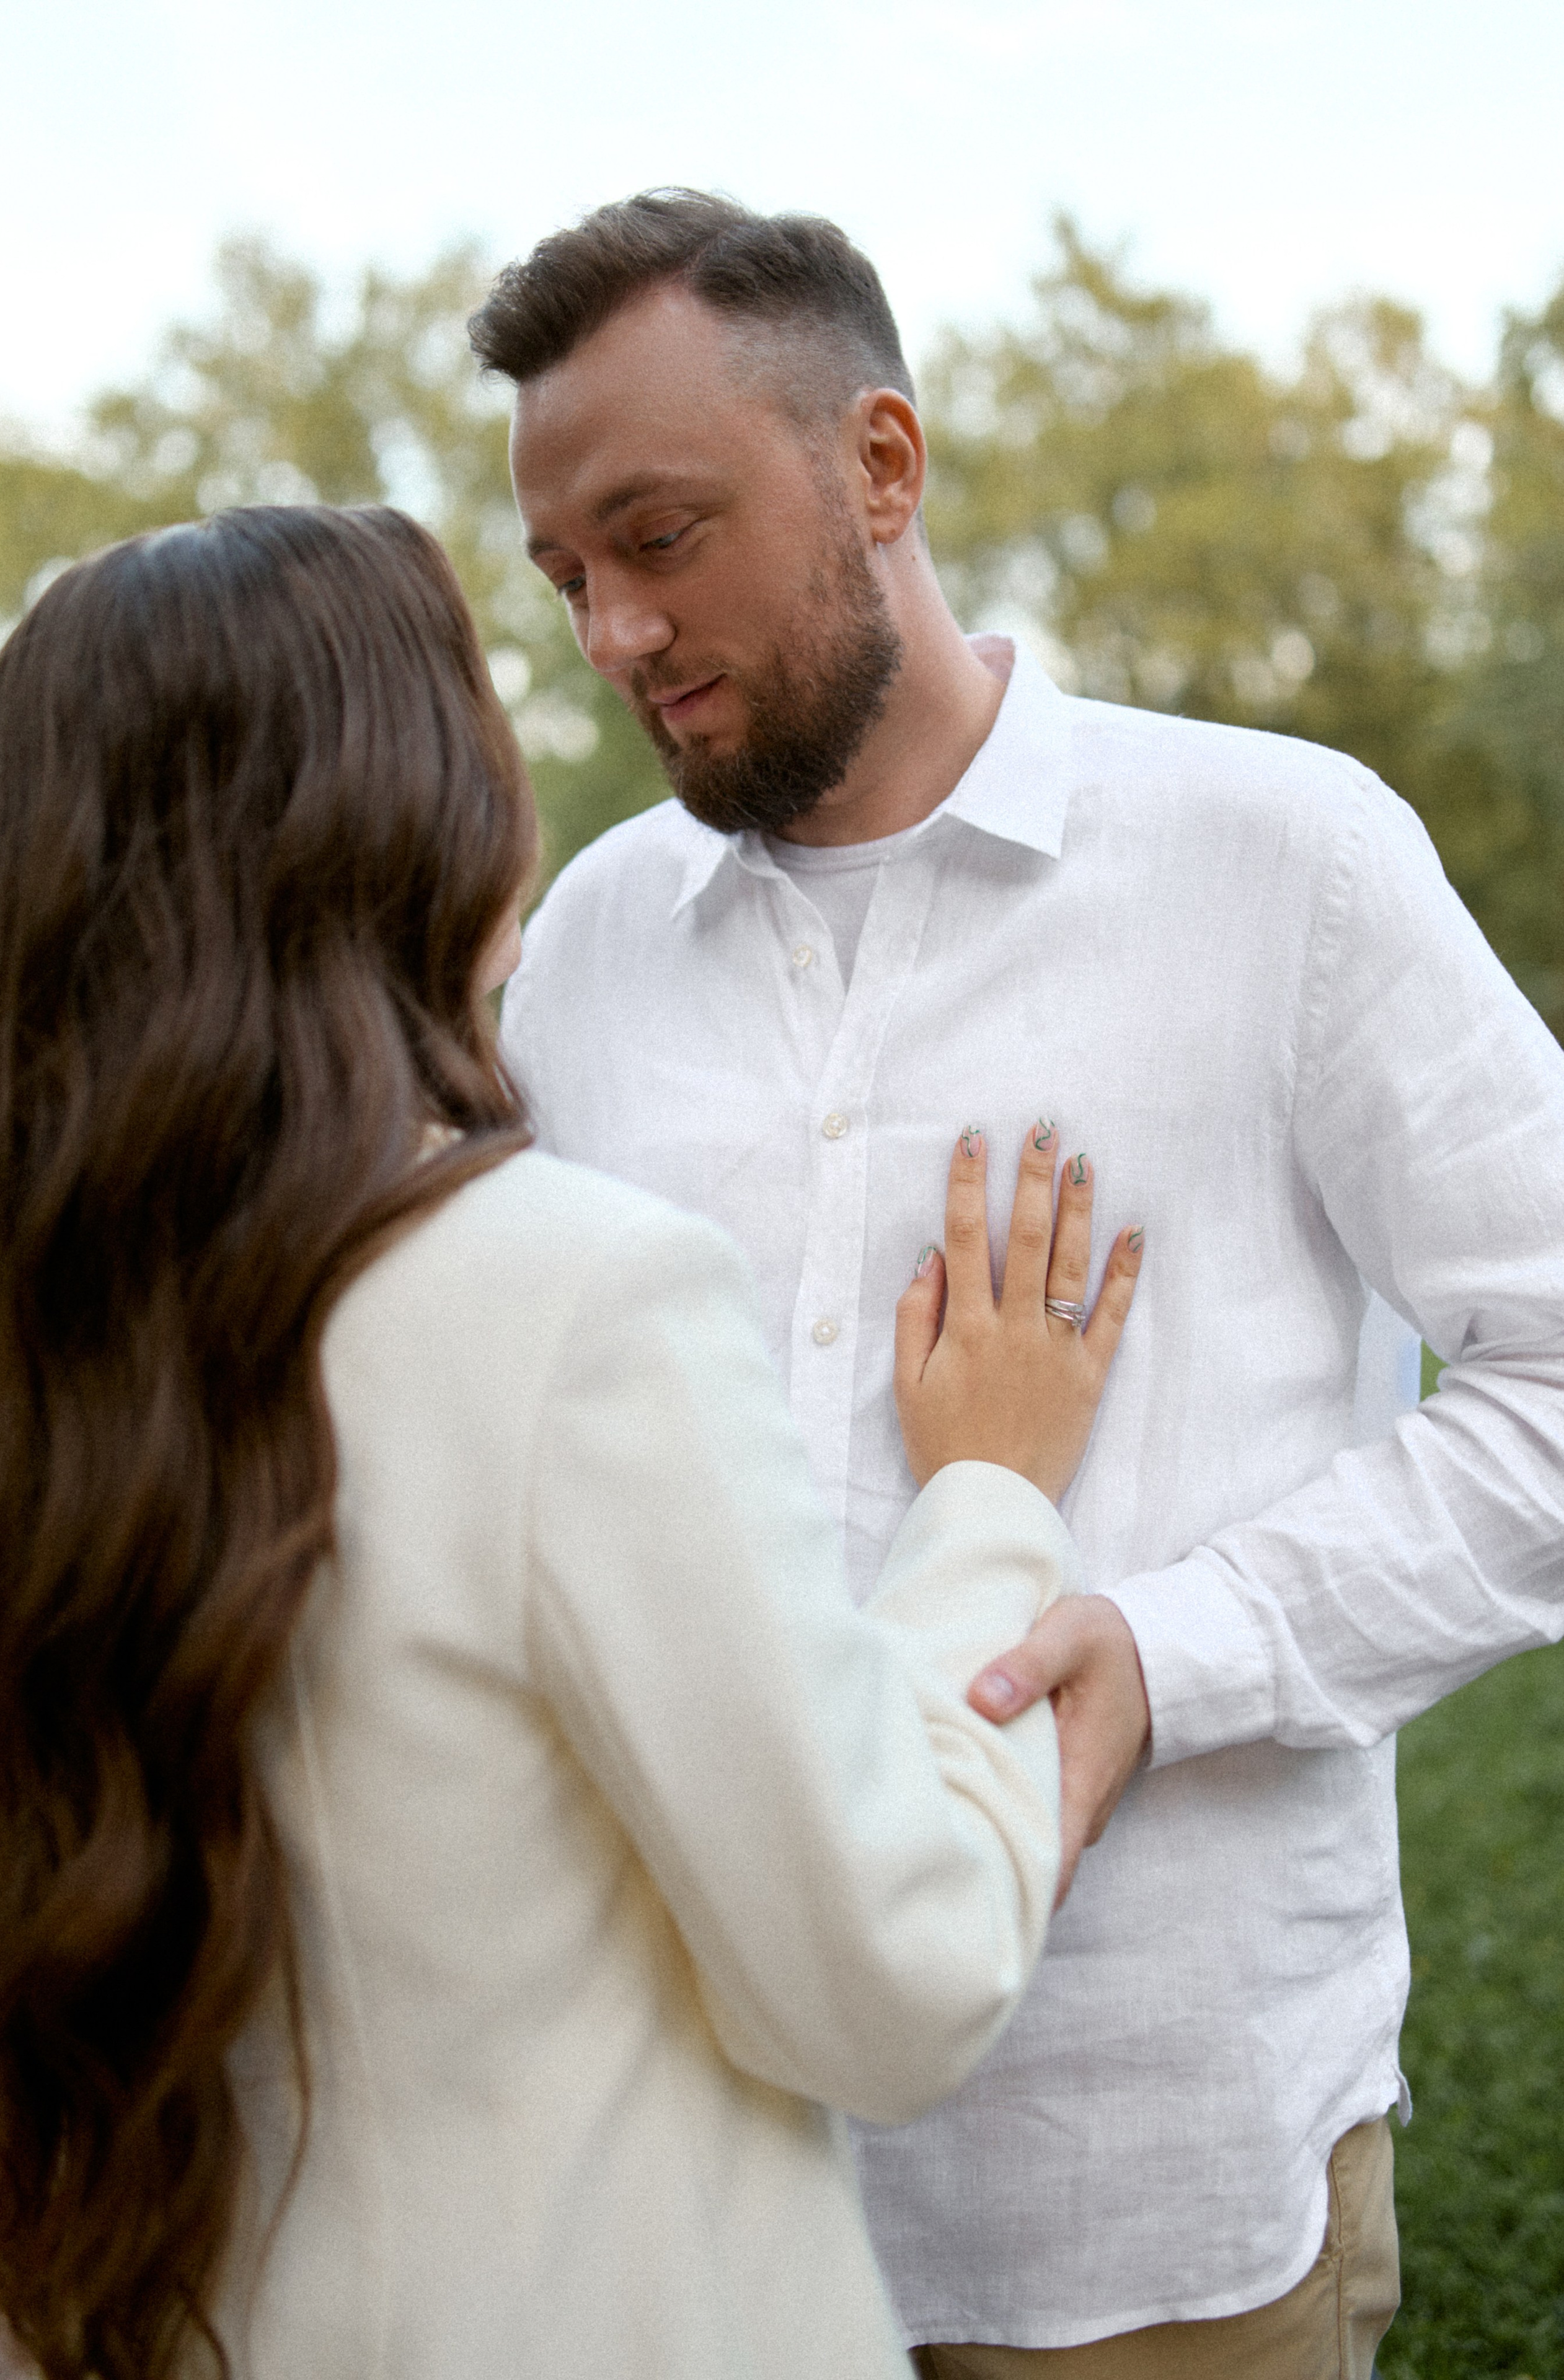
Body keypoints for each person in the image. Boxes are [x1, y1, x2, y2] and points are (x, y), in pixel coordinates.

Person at [476, 189, 1564, 2377]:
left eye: (660, 536)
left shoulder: (1290, 862)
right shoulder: (581, 947)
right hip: (700, 2201)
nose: (607, 631)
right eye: (566, 574)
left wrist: (1172, 1654)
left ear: (882, 467)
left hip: (1139, 2189)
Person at [0, 501, 1147, 2380]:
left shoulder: (32, 1341)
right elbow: (890, 1974)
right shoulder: (565, 1303)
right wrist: (993, 1505)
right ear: (420, 809)